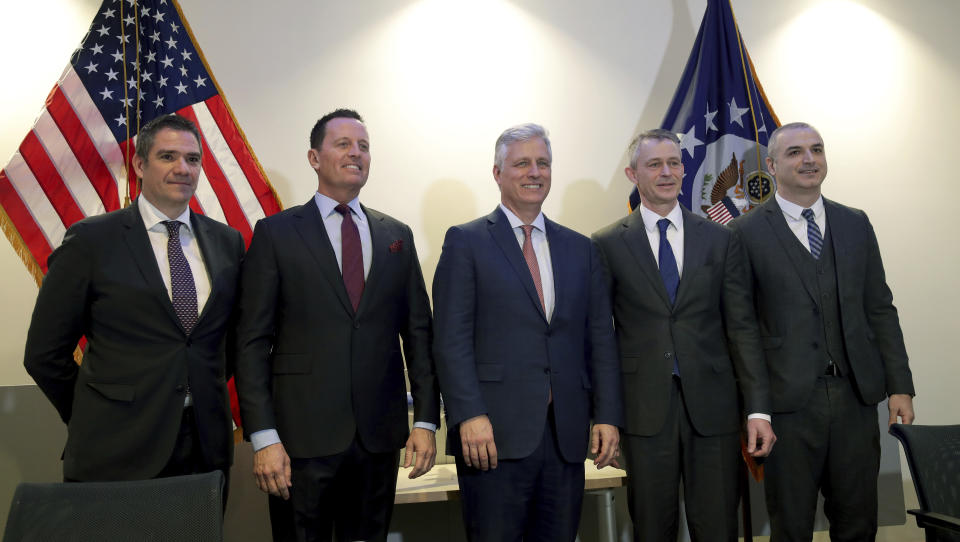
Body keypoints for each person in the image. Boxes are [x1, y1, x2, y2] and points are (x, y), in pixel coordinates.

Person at [233, 108, 440, 542]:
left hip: (378, 440)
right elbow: (251, 342)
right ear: (314, 157)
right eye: (343, 144)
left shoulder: (394, 235)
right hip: (298, 444)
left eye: (364, 146)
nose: (356, 153)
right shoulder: (275, 233)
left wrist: (424, 421)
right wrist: (263, 435)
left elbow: (419, 335)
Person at [23, 114, 245, 486]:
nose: (182, 168)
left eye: (192, 159)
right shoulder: (92, 240)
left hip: (205, 449)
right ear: (140, 165)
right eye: (167, 156)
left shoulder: (227, 241)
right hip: (115, 448)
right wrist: (94, 415)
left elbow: (233, 340)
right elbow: (45, 353)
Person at [432, 123, 623, 541]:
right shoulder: (465, 242)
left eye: (543, 163)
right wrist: (469, 415)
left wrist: (607, 414)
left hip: (565, 437)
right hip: (492, 436)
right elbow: (450, 340)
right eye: (521, 163)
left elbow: (600, 339)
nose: (534, 172)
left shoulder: (580, 247)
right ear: (498, 173)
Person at [727, 122, 915, 541]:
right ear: (772, 165)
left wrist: (900, 385)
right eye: (795, 153)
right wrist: (756, 408)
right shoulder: (744, 233)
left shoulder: (855, 223)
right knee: (792, 527)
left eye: (816, 149)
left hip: (855, 398)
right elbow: (742, 329)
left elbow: (879, 308)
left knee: (859, 523)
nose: (809, 159)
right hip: (788, 406)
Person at [591, 129, 774, 541]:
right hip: (643, 410)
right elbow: (600, 338)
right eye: (654, 164)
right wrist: (604, 414)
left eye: (673, 163)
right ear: (633, 173)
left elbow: (742, 327)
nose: (666, 172)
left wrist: (758, 409)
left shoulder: (720, 237)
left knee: (717, 526)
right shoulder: (606, 244)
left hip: (714, 409)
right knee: (653, 528)